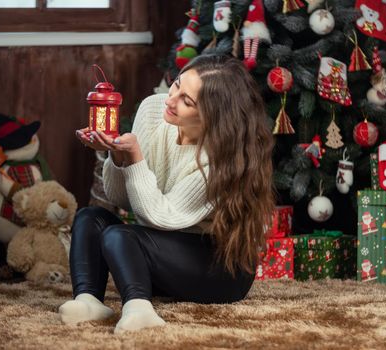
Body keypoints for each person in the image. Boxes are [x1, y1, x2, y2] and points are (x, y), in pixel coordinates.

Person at [59, 54, 275, 334]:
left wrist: (135, 157)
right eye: (176, 85)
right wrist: (117, 156)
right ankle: (88, 300)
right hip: (163, 254)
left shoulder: (219, 160)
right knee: (90, 218)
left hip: (218, 269)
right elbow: (121, 198)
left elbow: (161, 217)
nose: (171, 100)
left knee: (120, 235)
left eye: (188, 101)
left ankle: (139, 309)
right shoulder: (152, 110)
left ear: (212, 115)